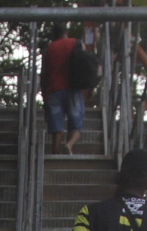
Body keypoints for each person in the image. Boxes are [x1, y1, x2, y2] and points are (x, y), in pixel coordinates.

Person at [41, 23, 83, 155]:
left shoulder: (49, 49)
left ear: (54, 35)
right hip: (73, 89)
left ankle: (55, 156)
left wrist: (45, 98)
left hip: (54, 91)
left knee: (57, 129)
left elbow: (43, 75)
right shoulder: (76, 43)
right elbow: (86, 65)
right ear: (67, 32)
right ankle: (69, 144)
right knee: (76, 125)